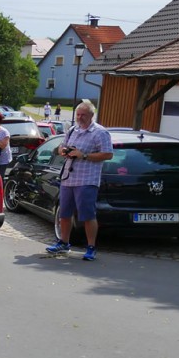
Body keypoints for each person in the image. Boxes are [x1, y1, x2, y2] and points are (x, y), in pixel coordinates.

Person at [45, 100, 114, 261]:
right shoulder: (72, 130)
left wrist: (83, 155)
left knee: (87, 215)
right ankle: (63, 242)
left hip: (87, 179)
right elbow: (62, 147)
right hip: (68, 178)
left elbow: (108, 154)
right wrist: (64, 151)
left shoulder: (100, 132)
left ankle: (91, 247)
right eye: (78, 114)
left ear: (91, 115)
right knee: (64, 213)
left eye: (83, 115)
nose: (80, 117)